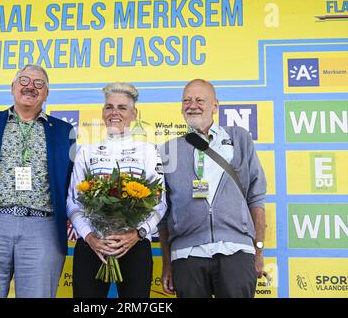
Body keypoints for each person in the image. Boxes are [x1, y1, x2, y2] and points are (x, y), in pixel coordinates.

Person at [0, 64, 75, 298]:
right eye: (24, 81)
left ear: (47, 93)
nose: (31, 87)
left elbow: (69, 183)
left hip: (43, 228)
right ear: (12, 87)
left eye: (39, 83)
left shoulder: (63, 131)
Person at [158, 78, 266, 298]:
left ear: (215, 105)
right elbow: (163, 212)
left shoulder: (239, 138)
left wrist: (259, 250)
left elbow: (256, 198)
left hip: (236, 249)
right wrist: (167, 264)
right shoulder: (168, 150)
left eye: (200, 99)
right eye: (186, 100)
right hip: (186, 254)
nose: (192, 105)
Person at [66, 82, 166, 298]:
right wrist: (90, 236)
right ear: (103, 112)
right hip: (93, 244)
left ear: (134, 113)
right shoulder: (86, 151)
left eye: (122, 107)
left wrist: (137, 233)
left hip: (134, 244)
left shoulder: (149, 151)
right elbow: (73, 201)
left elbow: (160, 202)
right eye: (109, 107)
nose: (114, 113)